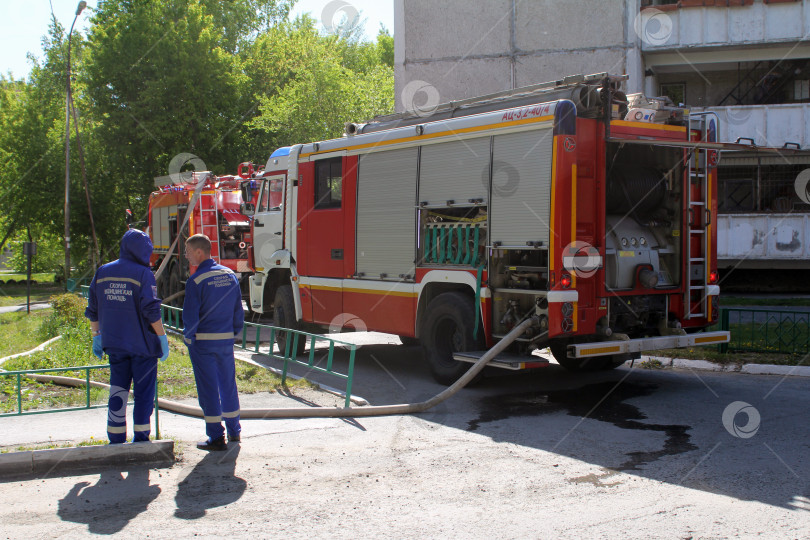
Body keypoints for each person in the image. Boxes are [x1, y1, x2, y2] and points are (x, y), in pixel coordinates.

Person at [85, 229, 170, 444]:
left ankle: (115, 437)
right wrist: (162, 337)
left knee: (118, 390)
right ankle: (141, 439)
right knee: (143, 395)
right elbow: (151, 311)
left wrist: (97, 335)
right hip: (143, 347)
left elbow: (92, 308)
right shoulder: (143, 274)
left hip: (114, 344)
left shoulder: (103, 271)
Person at [182, 234, 244, 451]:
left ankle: (216, 437)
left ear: (200, 252)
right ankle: (235, 430)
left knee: (208, 389)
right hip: (226, 342)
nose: (186, 255)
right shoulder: (230, 275)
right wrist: (234, 332)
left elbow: (191, 316)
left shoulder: (196, 280)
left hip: (203, 345)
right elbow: (238, 309)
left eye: (188, 251)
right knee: (228, 385)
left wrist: (188, 338)